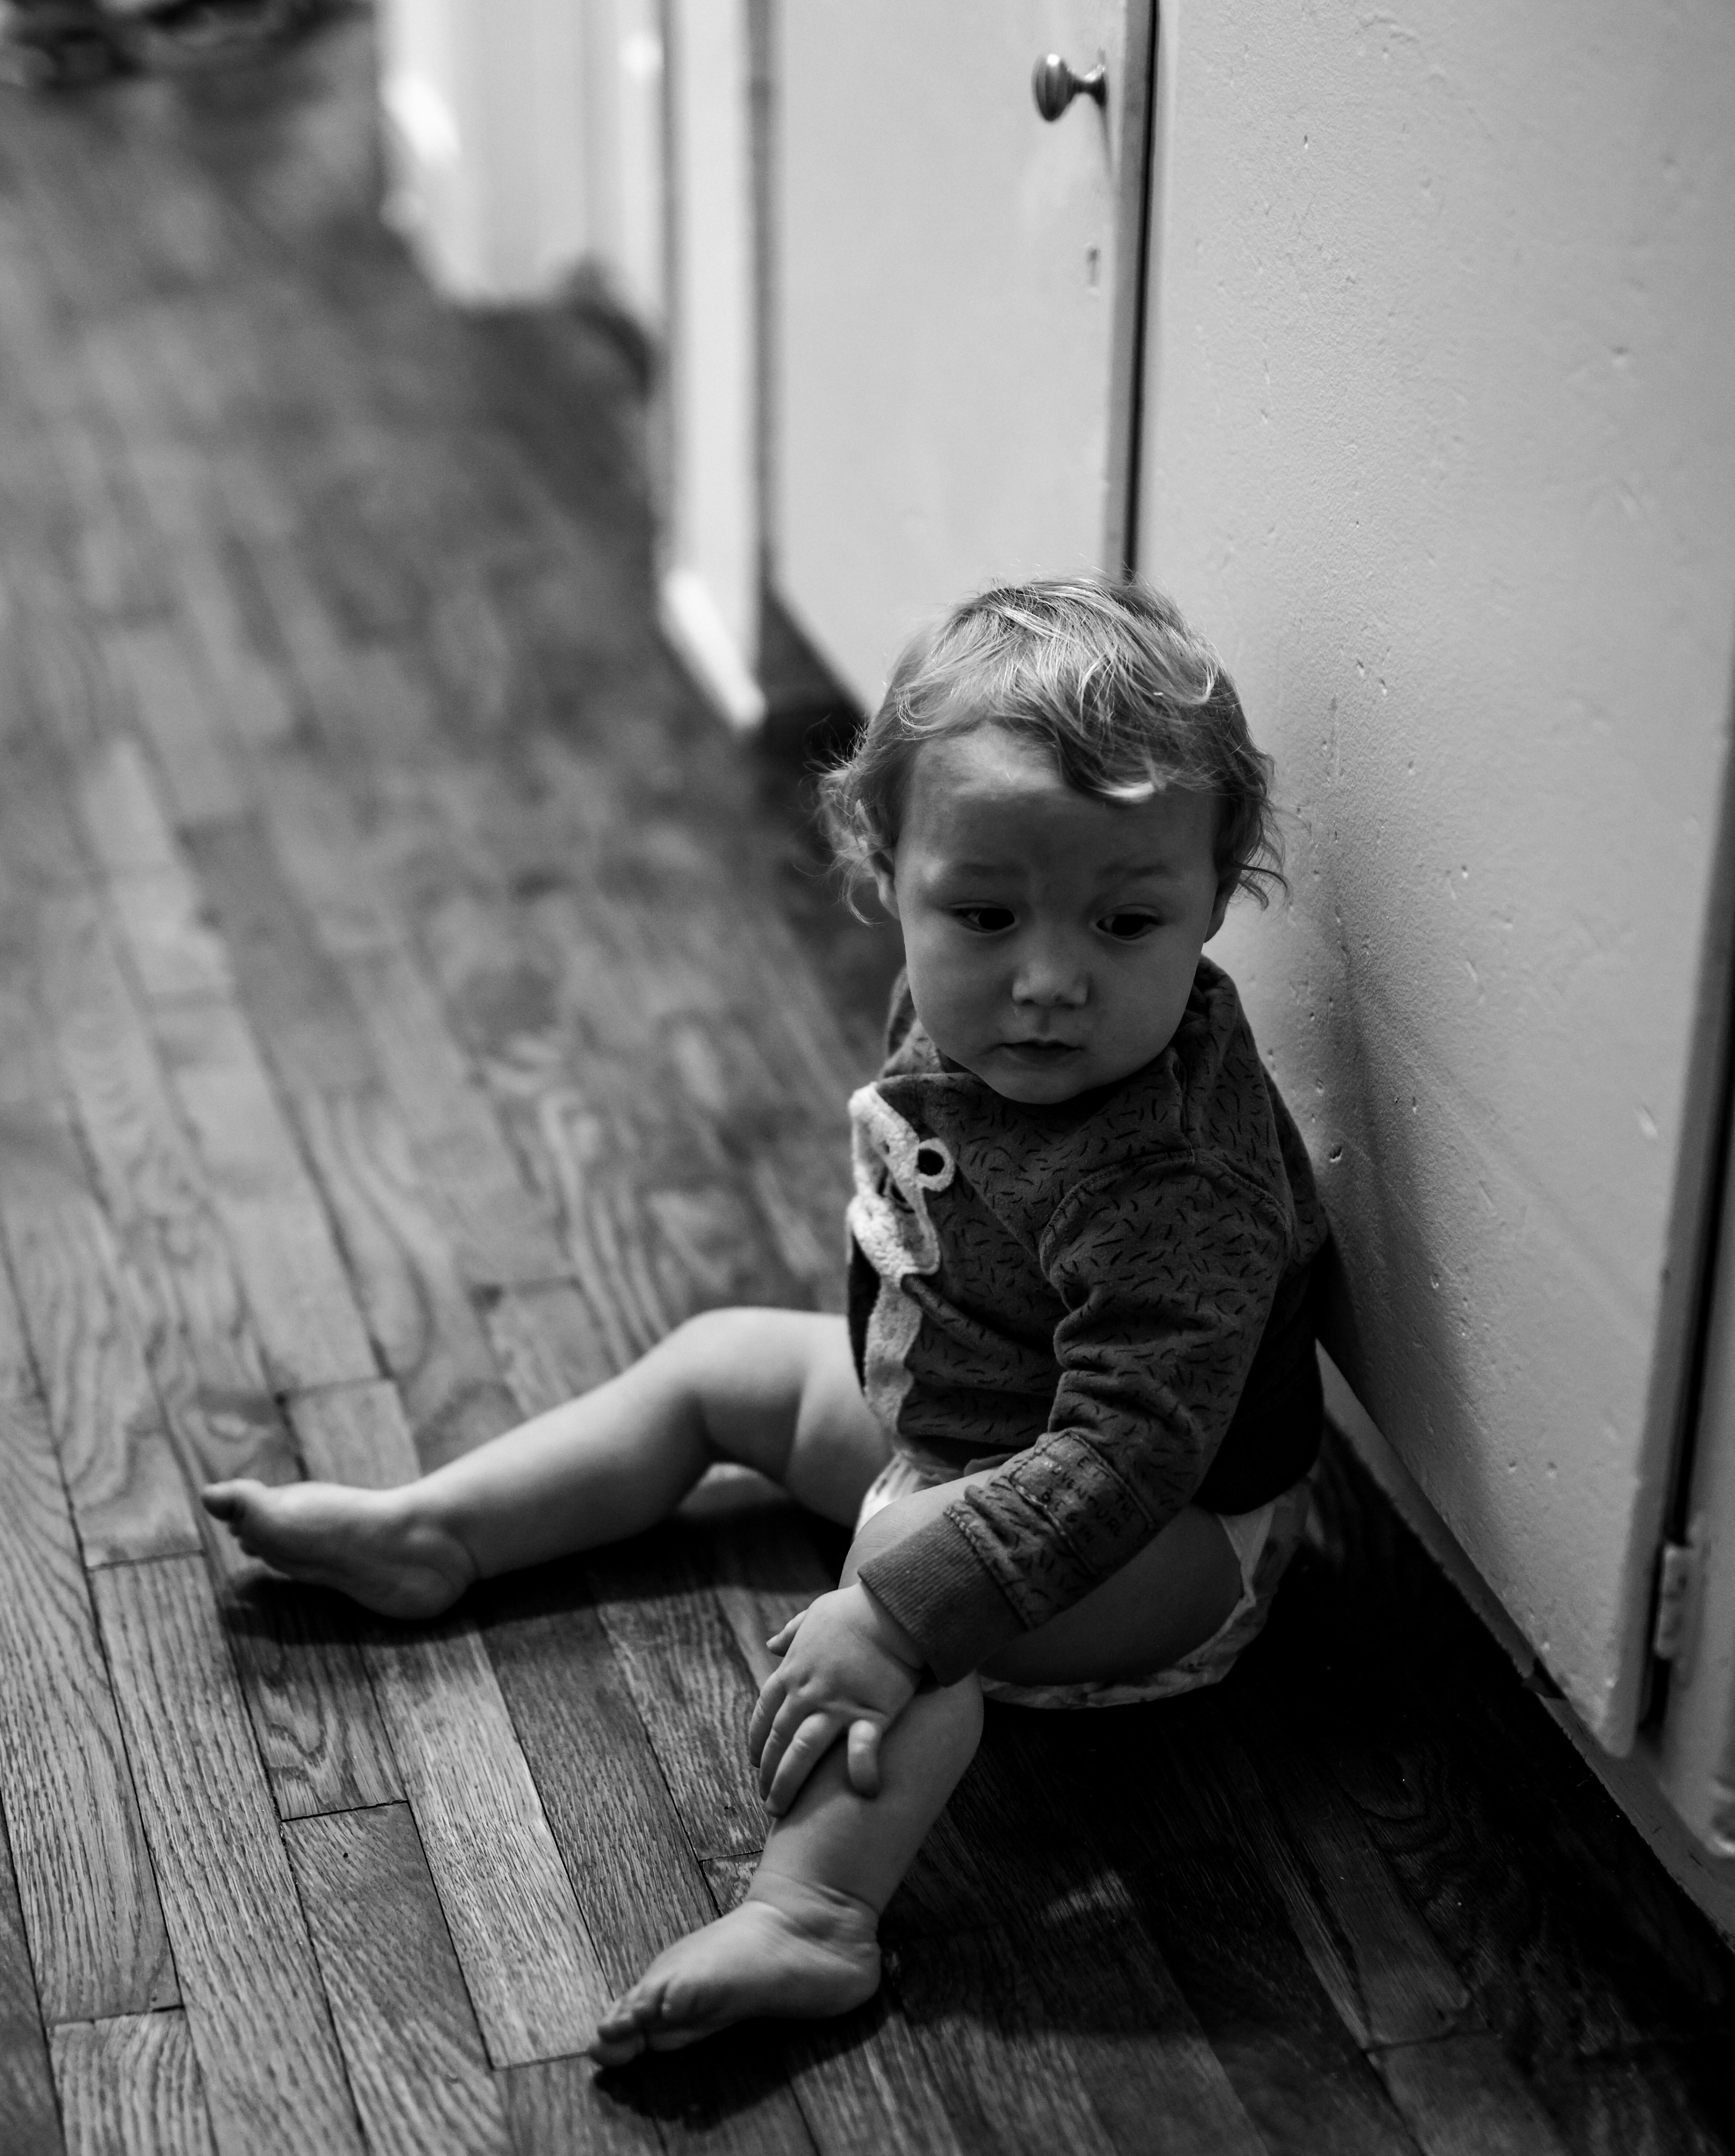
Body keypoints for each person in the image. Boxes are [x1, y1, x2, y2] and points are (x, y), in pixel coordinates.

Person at [203, 577, 1329, 2064]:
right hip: (965, 1413)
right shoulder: (977, 1009)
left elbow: (1122, 1456)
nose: (1051, 980)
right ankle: (438, 1533)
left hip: (1167, 1552)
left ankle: (815, 1913)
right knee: (727, 1357)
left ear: (1216, 889)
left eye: (1129, 921)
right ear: (888, 869)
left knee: (900, 1563)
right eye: (984, 912)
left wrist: (894, 1603)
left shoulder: (1172, 1181)